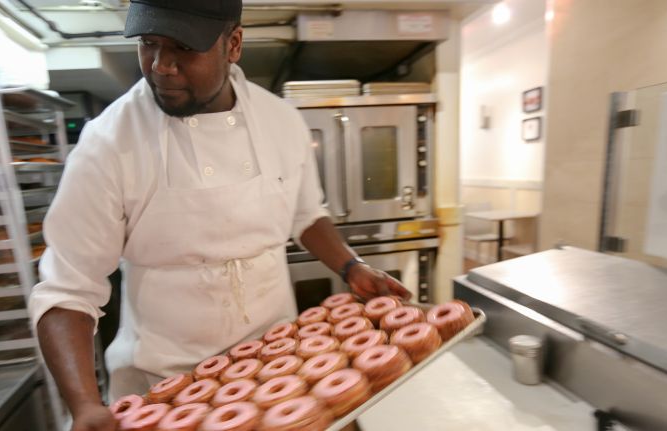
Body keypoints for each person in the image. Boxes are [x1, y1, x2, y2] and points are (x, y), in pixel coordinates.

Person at [29, 1, 410, 429]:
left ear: (233, 45)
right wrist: (83, 405)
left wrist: (350, 265)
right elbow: (68, 289)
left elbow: (306, 214)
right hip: (167, 389)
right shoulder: (108, 144)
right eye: (149, 44)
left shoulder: (280, 121)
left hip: (282, 365)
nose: (161, 66)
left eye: (183, 48)